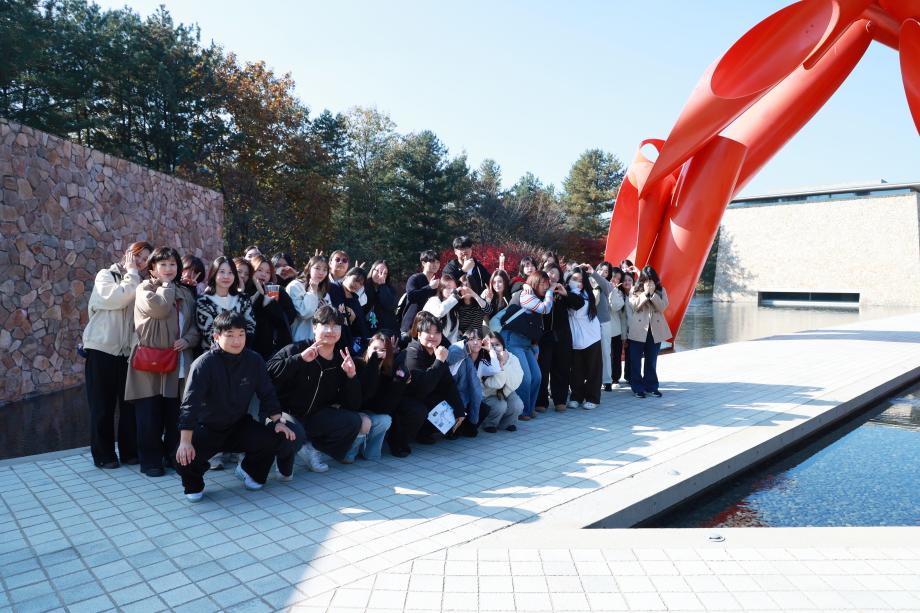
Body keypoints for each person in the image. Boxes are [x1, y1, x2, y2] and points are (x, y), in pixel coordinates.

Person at [175, 312, 299, 502]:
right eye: (230, 334)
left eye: (241, 334)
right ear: (216, 337)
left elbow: (267, 393)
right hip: (207, 427)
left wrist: (277, 421)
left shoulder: (254, 360)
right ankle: (194, 482)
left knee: (277, 438)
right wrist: (185, 441)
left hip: (238, 424)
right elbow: (189, 405)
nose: (237, 340)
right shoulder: (203, 364)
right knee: (183, 456)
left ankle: (248, 470)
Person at [125, 247, 197, 477]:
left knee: (174, 414)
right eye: (163, 265)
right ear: (152, 268)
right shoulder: (145, 288)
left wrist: (188, 339)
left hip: (178, 362)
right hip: (150, 364)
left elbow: (195, 326)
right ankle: (150, 461)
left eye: (173, 264)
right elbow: (159, 308)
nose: (169, 269)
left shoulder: (186, 293)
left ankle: (174, 456)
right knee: (149, 415)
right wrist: (166, 286)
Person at [267, 305, 369, 467]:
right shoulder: (298, 348)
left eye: (336, 325)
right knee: (296, 433)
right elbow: (269, 371)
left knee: (353, 421)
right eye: (325, 325)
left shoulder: (341, 358)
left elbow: (352, 405)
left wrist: (351, 376)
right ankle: (288, 453)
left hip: (315, 416)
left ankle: (315, 449)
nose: (331, 330)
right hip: (286, 413)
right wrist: (299, 359)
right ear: (314, 327)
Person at [82, 240, 151, 469]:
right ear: (129, 253)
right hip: (101, 349)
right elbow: (116, 298)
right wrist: (132, 273)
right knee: (102, 406)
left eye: (145, 260)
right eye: (138, 256)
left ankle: (130, 452)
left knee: (129, 406)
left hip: (127, 353)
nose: (140, 262)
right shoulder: (106, 275)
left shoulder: (141, 283)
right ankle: (104, 455)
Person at [401, 312, 467, 444]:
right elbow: (422, 388)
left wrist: (460, 411)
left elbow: (448, 384)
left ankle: (427, 432)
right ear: (419, 334)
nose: (433, 336)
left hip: (427, 396)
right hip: (406, 399)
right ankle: (406, 439)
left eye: (437, 332)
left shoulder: (438, 351)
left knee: (465, 415)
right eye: (428, 332)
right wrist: (438, 361)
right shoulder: (412, 352)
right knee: (420, 409)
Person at [356, 334, 421, 458]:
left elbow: (386, 407)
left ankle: (369, 450)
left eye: (383, 350)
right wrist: (373, 366)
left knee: (386, 419)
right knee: (365, 422)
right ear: (368, 347)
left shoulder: (388, 372)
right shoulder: (357, 364)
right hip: (356, 412)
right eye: (375, 349)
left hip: (373, 412)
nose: (378, 353)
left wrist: (399, 383)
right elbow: (363, 394)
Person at [502, 271, 555, 420]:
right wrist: (551, 291)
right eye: (543, 283)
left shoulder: (534, 296)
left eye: (547, 284)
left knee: (537, 376)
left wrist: (534, 346)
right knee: (525, 377)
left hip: (526, 343)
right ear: (535, 283)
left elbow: (535, 326)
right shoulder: (526, 295)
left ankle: (529, 408)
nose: (546, 287)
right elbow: (545, 308)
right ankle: (522, 411)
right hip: (513, 340)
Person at [535, 262, 583, 412]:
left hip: (562, 336)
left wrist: (566, 294)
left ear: (560, 275)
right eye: (549, 272)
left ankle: (560, 400)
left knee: (561, 368)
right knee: (543, 368)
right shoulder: (538, 291)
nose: (552, 275)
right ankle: (541, 401)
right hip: (543, 337)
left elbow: (579, 303)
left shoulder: (564, 288)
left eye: (555, 272)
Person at [196, 256, 256, 352]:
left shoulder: (243, 299)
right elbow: (209, 334)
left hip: (242, 355)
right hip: (213, 357)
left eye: (230, 272)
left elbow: (250, 327)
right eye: (222, 271)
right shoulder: (203, 301)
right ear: (214, 273)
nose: (226, 276)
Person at [446, 327, 499, 436]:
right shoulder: (459, 354)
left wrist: (491, 350)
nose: (476, 342)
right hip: (455, 396)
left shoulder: (481, 361)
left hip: (470, 397)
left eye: (479, 339)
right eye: (471, 339)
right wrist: (465, 350)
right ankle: (454, 429)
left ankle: (465, 428)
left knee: (484, 409)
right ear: (465, 341)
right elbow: (449, 358)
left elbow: (495, 369)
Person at [628, 266, 671, 398]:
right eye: (646, 280)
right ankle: (637, 388)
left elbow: (663, 307)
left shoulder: (661, 290)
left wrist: (653, 295)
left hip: (655, 330)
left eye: (651, 280)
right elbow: (634, 306)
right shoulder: (634, 290)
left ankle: (651, 386)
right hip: (638, 330)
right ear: (642, 280)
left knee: (651, 360)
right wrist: (645, 294)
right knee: (635, 361)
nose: (649, 283)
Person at [565, 267, 603, 410]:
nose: (578, 283)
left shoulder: (586, 295)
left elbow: (578, 307)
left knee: (593, 369)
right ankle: (576, 396)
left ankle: (593, 397)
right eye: (574, 279)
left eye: (581, 280)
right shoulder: (564, 292)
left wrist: (568, 293)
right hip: (575, 338)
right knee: (576, 370)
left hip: (591, 337)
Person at [247, 254, 295, 361]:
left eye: (268, 272)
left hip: (274, 349)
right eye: (259, 270)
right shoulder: (246, 290)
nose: (263, 274)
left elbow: (290, 316)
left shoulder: (277, 290)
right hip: (249, 347)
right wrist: (259, 293)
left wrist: (271, 305)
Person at [480, 332, 524, 432]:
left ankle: (507, 423)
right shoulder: (483, 360)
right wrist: (501, 364)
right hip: (488, 394)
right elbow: (496, 384)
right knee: (500, 405)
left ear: (503, 345)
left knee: (517, 404)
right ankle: (490, 423)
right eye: (491, 345)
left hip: (507, 391)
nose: (494, 348)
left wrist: (505, 392)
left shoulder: (512, 358)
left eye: (497, 344)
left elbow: (516, 381)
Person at [586, 263, 617, 392]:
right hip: (589, 322)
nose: (603, 273)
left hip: (604, 322)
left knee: (605, 351)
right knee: (591, 352)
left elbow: (608, 288)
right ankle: (592, 379)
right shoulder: (587, 282)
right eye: (601, 270)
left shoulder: (604, 285)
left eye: (606, 271)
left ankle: (607, 380)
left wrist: (595, 275)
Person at [286, 255, 331, 342]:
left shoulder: (324, 292)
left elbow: (328, 318)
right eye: (317, 268)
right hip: (299, 340)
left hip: (319, 341)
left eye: (325, 270)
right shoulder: (295, 286)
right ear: (309, 268)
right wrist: (312, 291)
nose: (321, 272)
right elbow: (304, 313)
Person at [399, 250, 441, 335]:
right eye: (432, 261)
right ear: (423, 263)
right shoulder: (415, 278)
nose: (435, 265)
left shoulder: (437, 283)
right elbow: (411, 296)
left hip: (427, 327)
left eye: (437, 262)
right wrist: (429, 287)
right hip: (410, 325)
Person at [330, 267, 369, 353]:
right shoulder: (332, 288)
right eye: (355, 280)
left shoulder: (355, 301)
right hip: (332, 340)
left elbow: (361, 326)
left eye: (361, 284)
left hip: (349, 346)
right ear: (347, 275)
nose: (357, 285)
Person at [423, 274, 462, 343]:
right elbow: (439, 312)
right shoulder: (434, 300)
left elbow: (453, 335)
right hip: (427, 342)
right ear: (441, 288)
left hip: (443, 346)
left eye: (454, 288)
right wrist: (454, 297)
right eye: (449, 288)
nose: (452, 291)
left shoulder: (453, 308)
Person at [364, 260, 398, 337]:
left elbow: (390, 305)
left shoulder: (390, 289)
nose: (380, 274)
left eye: (384, 273)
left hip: (385, 331)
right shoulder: (363, 286)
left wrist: (382, 286)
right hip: (367, 329)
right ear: (372, 270)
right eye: (378, 271)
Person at [608, 267, 627, 386]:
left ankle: (615, 378)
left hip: (615, 329)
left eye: (619, 279)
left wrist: (613, 291)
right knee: (603, 355)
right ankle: (604, 378)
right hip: (600, 329)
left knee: (615, 355)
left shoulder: (619, 293)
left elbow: (615, 307)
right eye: (614, 277)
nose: (615, 280)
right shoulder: (600, 288)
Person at [621, 273, 635, 385]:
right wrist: (624, 336)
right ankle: (628, 376)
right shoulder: (621, 294)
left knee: (634, 355)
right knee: (628, 353)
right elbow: (624, 319)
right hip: (627, 329)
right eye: (625, 280)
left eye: (630, 280)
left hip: (637, 329)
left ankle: (632, 376)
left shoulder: (635, 294)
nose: (627, 282)